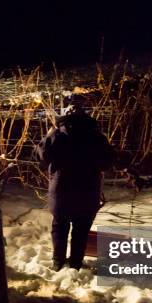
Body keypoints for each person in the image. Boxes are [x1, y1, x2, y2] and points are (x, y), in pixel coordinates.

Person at [37, 110, 115, 270]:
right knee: (81, 229)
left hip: (61, 191)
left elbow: (42, 158)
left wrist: (46, 140)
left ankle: (58, 262)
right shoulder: (97, 138)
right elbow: (107, 163)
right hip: (87, 190)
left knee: (59, 226)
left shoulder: (56, 135)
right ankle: (75, 264)